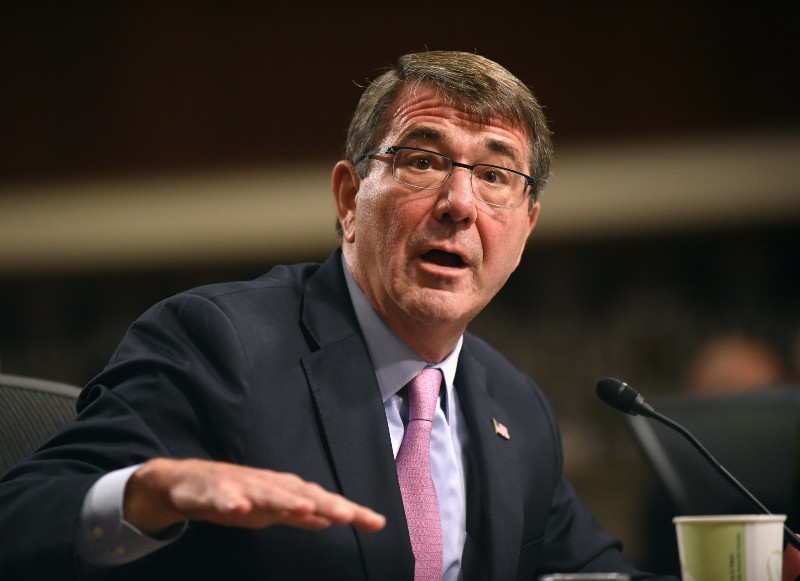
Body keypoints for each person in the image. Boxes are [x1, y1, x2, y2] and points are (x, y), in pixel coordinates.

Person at [0, 50, 687, 580]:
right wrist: (147, 491)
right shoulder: (218, 346)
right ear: (349, 197)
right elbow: (21, 516)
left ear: (526, 226)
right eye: (423, 159)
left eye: (496, 175)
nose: (460, 202)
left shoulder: (515, 406)